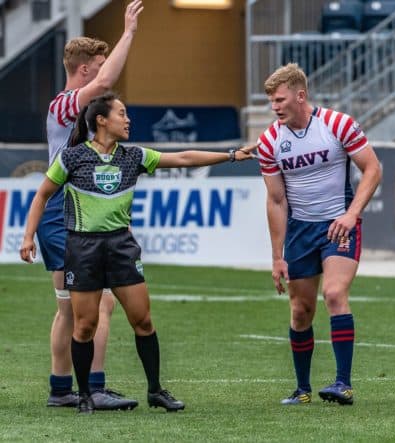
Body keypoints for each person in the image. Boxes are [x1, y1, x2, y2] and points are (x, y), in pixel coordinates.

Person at [20, 91, 255, 413]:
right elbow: (42, 195)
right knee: (84, 326)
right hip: (83, 247)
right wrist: (28, 236)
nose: (127, 119)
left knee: (142, 321)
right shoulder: (72, 157)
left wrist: (230, 155)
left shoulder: (134, 156)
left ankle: (156, 390)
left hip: (121, 246)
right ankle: (86, 395)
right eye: (121, 113)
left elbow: (184, 158)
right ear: (101, 120)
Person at [36, 1, 144, 410]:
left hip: (67, 210)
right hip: (67, 210)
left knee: (70, 306)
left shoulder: (70, 109)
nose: (106, 74)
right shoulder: (67, 103)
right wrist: (129, 32)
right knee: (97, 302)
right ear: (84, 71)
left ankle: (63, 388)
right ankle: (91, 388)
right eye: (99, 66)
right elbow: (104, 85)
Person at [257, 63, 381, 405]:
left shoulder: (337, 124)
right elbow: (276, 200)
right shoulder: (270, 141)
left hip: (338, 225)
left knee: (336, 293)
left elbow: (373, 168)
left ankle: (343, 383)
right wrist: (276, 256)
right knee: (300, 310)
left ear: (301, 95)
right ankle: (302, 389)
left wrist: (352, 213)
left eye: (280, 100)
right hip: (300, 231)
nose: (275, 107)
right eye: (271, 102)